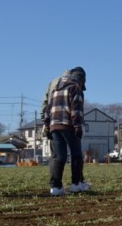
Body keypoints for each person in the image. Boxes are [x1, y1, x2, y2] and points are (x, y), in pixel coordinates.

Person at [42, 67, 89, 196]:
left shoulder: (56, 88)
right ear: (81, 79)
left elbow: (47, 109)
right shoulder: (75, 87)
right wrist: (78, 126)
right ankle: (76, 185)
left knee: (59, 157)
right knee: (76, 155)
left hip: (54, 126)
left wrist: (47, 126)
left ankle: (56, 187)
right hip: (68, 126)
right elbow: (76, 110)